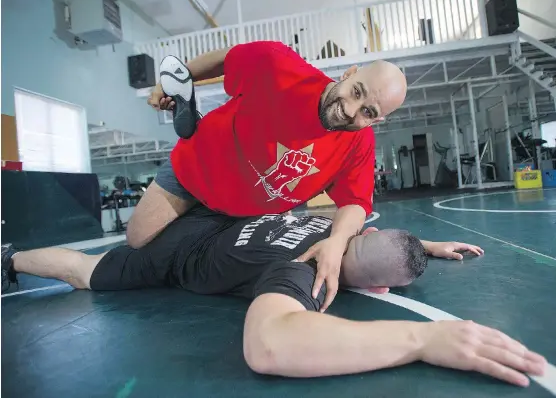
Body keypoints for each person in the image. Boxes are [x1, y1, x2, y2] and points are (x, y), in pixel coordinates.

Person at [0, 207, 545, 387]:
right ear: (377, 289)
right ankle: (8, 260)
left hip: (208, 215)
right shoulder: (300, 275)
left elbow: (372, 239)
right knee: (85, 271)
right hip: (171, 259)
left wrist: (425, 245)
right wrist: (424, 337)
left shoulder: (326, 223)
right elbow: (269, 345)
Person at [132, 40, 412, 312]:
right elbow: (225, 59)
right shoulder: (277, 65)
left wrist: (337, 243)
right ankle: (195, 117)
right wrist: (180, 77)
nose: (350, 110)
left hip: (247, 215)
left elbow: (355, 202)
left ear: (377, 120)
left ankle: (203, 217)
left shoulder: (359, 143)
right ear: (349, 74)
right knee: (138, 240)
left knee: (198, 268)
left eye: (367, 111)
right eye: (356, 91)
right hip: (198, 168)